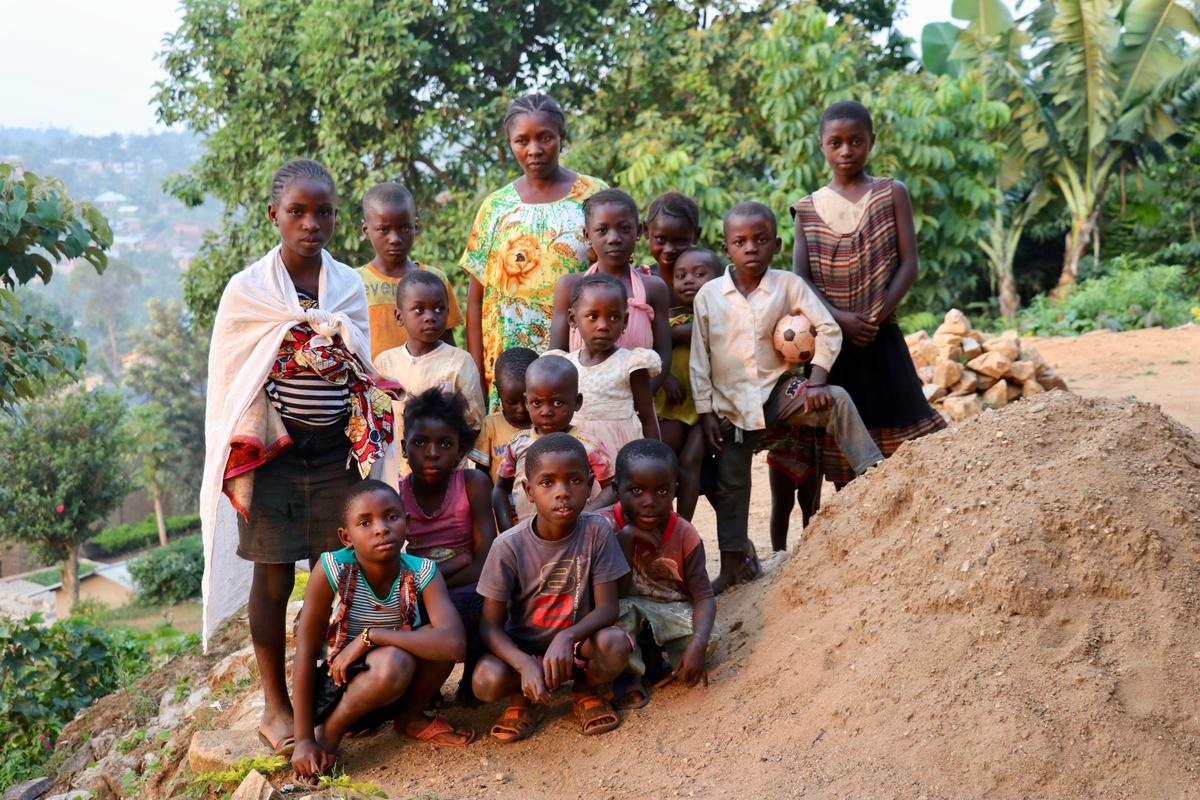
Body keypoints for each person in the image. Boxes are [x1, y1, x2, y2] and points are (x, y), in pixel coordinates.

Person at [200, 159, 404, 757]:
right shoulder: (249, 291)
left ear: (338, 218)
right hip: (273, 455)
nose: (311, 224)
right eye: (297, 212)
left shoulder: (345, 286)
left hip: (336, 448)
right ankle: (274, 702)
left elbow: (361, 364)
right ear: (274, 216)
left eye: (323, 213)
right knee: (272, 574)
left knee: (331, 573)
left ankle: (318, 688)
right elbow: (235, 375)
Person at [691, 201, 883, 593]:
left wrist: (816, 379)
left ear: (776, 245)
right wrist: (705, 411)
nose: (751, 248)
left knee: (837, 398)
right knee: (732, 485)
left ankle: (875, 473)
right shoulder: (709, 295)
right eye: (740, 241)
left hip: (780, 391)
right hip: (730, 407)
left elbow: (829, 329)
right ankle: (732, 565)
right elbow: (700, 358)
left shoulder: (789, 285)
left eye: (760, 240)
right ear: (726, 247)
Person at [784, 99, 945, 509]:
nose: (846, 151)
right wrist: (839, 321)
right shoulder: (807, 208)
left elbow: (910, 263)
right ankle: (857, 525)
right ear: (821, 145)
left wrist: (874, 316)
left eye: (856, 141)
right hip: (832, 347)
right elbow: (801, 277)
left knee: (909, 435)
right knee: (842, 451)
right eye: (835, 142)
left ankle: (912, 516)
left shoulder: (890, 193)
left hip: (882, 335)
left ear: (871, 141)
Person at [291, 480, 472, 781]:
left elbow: (454, 645)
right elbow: (306, 653)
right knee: (393, 661)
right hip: (344, 689)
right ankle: (329, 735)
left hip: (399, 683)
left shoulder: (422, 570)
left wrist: (370, 637)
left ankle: (410, 718)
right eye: (365, 522)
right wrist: (303, 739)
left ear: (407, 523)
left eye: (391, 517)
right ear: (346, 536)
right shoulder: (332, 569)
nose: (381, 528)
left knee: (434, 638)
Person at [472, 433, 633, 741]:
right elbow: (489, 628)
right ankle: (523, 698)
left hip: (578, 647)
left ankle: (585, 690)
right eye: (548, 483)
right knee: (485, 681)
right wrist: (523, 665)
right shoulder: (508, 546)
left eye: (573, 481)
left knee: (615, 646)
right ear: (528, 490)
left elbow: (608, 607)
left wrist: (567, 636)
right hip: (526, 650)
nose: (562, 492)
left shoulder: (596, 532)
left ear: (589, 485)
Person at [460, 93, 608, 406]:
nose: (534, 150)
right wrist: (477, 377)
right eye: (522, 140)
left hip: (581, 357)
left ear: (561, 138)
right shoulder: (496, 207)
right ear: (510, 144)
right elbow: (475, 302)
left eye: (545, 138)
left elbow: (617, 276)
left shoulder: (594, 196)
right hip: (509, 369)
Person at [397, 389, 497, 704]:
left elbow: (486, 565)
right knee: (400, 614)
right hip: (424, 595)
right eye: (420, 442)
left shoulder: (472, 484)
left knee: (488, 603)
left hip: (464, 588)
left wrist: (429, 581)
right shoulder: (394, 496)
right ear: (403, 448)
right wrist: (455, 565)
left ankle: (471, 677)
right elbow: (395, 574)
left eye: (444, 444)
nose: (432, 452)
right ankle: (428, 687)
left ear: (460, 450)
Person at [602, 440, 717, 709]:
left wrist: (698, 645)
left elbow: (704, 597)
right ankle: (628, 675)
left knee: (710, 637)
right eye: (637, 490)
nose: (649, 502)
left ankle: (656, 657)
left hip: (668, 610)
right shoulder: (603, 528)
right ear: (617, 490)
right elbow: (612, 593)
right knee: (613, 619)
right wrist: (627, 538)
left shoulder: (685, 534)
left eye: (662, 491)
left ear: (675, 491)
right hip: (619, 606)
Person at [549, 188, 672, 389]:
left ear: (639, 231)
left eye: (624, 228)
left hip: (636, 410)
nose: (614, 238)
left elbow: (664, 355)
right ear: (587, 235)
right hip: (582, 407)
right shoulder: (569, 287)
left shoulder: (653, 288)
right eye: (602, 230)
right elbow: (556, 355)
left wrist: (636, 401)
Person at [374, 270, 485, 484]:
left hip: (448, 475)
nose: (430, 317)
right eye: (419, 309)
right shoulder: (385, 363)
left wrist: (448, 461)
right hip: (396, 476)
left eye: (439, 309)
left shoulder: (460, 362)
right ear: (399, 316)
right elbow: (377, 422)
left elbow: (474, 423)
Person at [492, 354, 616, 530]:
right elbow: (500, 490)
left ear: (577, 402)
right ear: (527, 402)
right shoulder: (517, 444)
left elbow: (612, 487)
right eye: (536, 403)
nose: (546, 412)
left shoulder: (588, 445)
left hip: (575, 535)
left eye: (557, 403)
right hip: (527, 538)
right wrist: (508, 531)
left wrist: (587, 513)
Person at [546, 273, 661, 457]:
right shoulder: (566, 367)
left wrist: (655, 459)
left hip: (620, 450)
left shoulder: (632, 364)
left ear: (625, 321)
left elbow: (647, 417)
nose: (603, 325)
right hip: (576, 452)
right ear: (573, 319)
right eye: (593, 316)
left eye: (614, 317)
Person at [356, 182, 462, 361]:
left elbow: (448, 345)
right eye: (384, 229)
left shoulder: (434, 279)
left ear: (416, 226)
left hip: (428, 383)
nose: (395, 239)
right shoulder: (354, 281)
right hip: (372, 385)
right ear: (366, 230)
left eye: (404, 228)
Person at [655, 247, 722, 520]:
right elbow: (652, 352)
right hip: (670, 405)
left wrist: (673, 334)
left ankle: (684, 526)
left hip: (706, 409)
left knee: (690, 463)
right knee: (662, 465)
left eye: (699, 274)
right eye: (681, 275)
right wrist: (666, 376)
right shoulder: (664, 316)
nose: (689, 280)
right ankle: (664, 526)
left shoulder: (720, 315)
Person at [468, 346, 537, 485]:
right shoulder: (491, 425)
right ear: (499, 391)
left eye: (528, 401)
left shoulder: (545, 424)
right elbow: (481, 471)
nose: (521, 409)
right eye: (512, 402)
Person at [642, 191, 702, 289]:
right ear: (646, 230)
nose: (669, 249)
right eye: (661, 239)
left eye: (680, 241)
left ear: (696, 235)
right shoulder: (638, 282)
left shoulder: (706, 282)